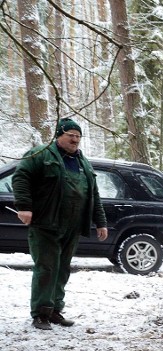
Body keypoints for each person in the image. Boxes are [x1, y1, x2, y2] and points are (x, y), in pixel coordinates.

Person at [12, 117, 108, 330]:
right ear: (59, 135)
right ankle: (40, 314)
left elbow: (93, 194)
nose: (75, 140)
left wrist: (100, 222)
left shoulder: (83, 162)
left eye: (78, 136)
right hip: (46, 222)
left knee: (63, 268)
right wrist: (24, 206)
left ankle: (54, 310)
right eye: (70, 135)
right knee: (47, 267)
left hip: (72, 225)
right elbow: (20, 177)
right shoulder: (41, 154)